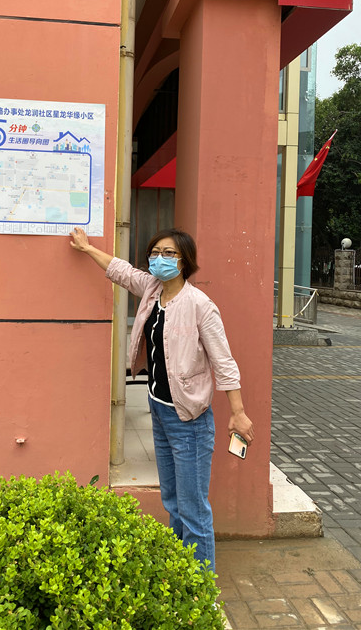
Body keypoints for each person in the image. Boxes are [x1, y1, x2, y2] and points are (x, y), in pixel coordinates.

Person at [69, 226, 254, 571]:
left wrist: (238, 412)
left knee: (193, 508)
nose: (160, 259)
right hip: (158, 407)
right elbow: (122, 271)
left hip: (189, 420)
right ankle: (181, 570)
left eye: (169, 253)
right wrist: (87, 248)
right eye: (155, 252)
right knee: (171, 500)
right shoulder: (152, 290)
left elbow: (224, 362)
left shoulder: (200, 305)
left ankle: (201, 586)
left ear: (185, 261)